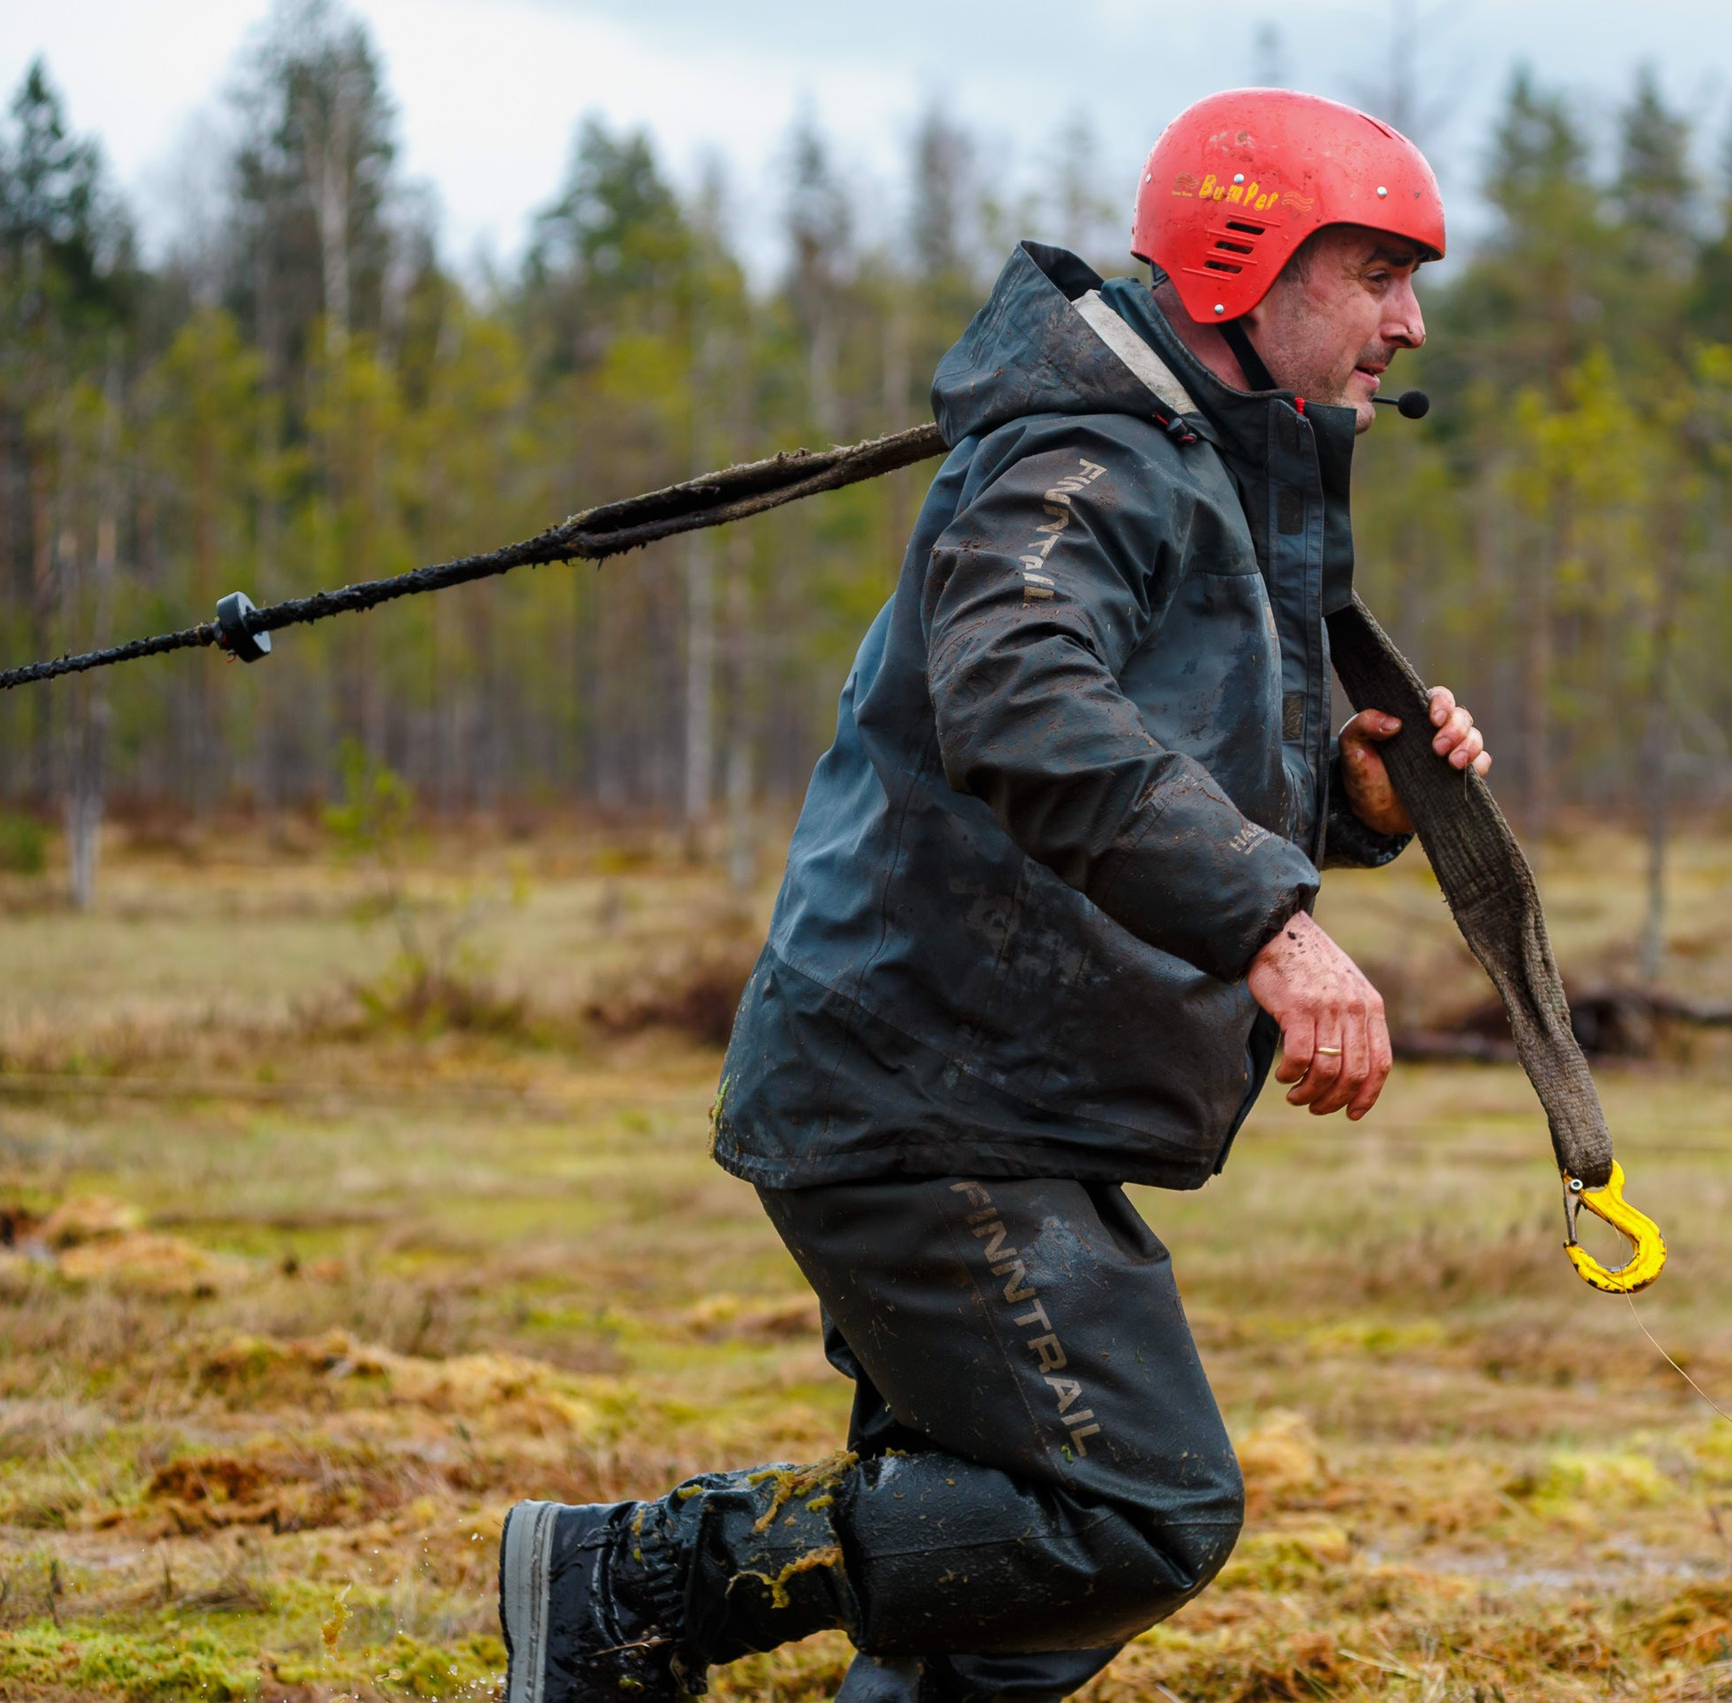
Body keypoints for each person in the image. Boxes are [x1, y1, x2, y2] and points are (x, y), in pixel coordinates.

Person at [497, 89, 1491, 1703]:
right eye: (1376, 270)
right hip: (925, 1099)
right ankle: (635, 1578)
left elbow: (1146, 758)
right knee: (1135, 1508)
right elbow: (1023, 703)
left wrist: (1355, 803)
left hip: (982, 1095)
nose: (1408, 318)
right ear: (1248, 263)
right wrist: (1274, 925)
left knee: (1010, 1601)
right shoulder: (1088, 455)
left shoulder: (1201, 471)